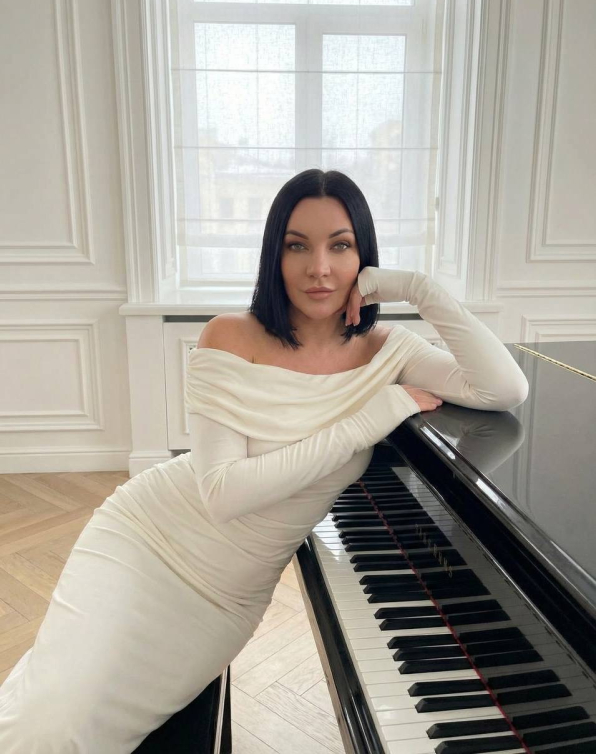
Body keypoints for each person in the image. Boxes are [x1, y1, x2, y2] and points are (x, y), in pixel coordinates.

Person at [0, 169, 529, 752]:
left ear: (364, 257)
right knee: (52, 723)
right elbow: (223, 495)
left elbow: (504, 388)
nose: (319, 268)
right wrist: (369, 419)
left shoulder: (390, 351)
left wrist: (419, 287)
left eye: (341, 245)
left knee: (96, 724)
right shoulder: (230, 336)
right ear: (274, 254)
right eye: (297, 246)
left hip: (226, 597)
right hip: (146, 539)